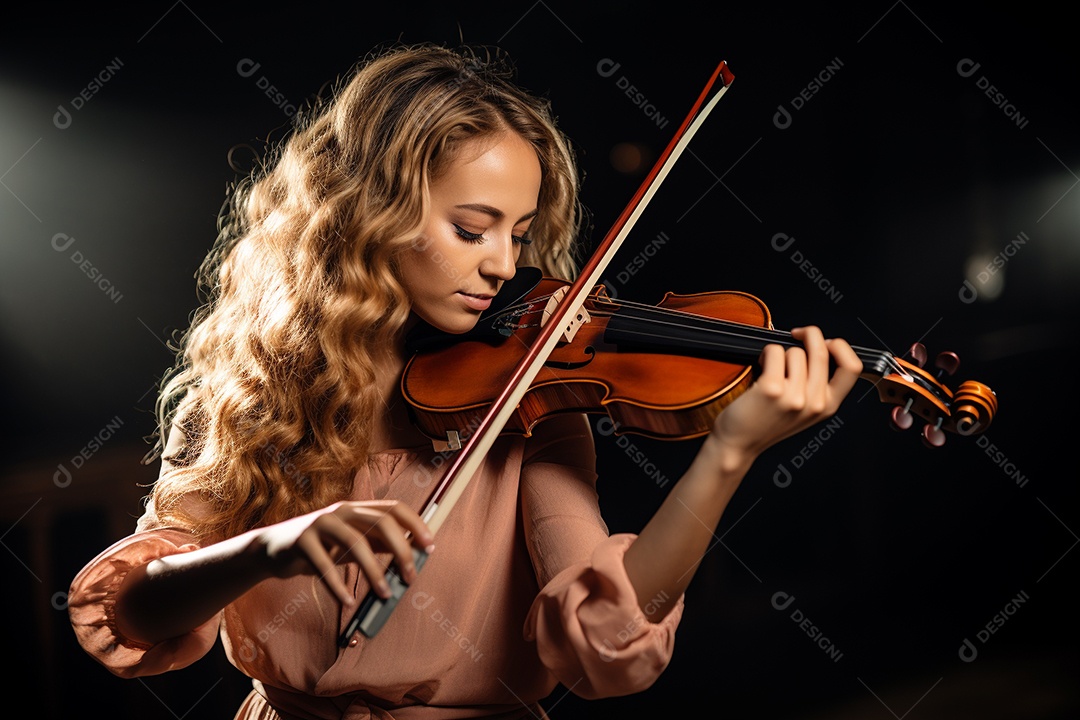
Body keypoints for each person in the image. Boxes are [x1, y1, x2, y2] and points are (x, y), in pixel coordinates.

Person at [68, 42, 863, 719]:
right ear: (367, 212)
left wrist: (728, 455)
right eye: (471, 228)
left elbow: (607, 644)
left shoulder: (529, 405)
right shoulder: (250, 393)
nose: (505, 265)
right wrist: (271, 548)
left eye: (519, 233)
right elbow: (135, 611)